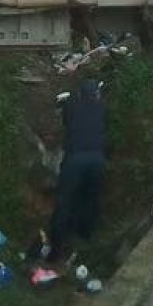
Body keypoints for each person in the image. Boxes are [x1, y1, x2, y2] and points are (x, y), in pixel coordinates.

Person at [48, 79, 107, 260]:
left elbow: (67, 122)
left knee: (64, 201)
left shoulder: (72, 107)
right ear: (96, 94)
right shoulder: (102, 108)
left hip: (75, 158)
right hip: (97, 159)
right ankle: (85, 235)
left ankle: (56, 247)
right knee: (90, 198)